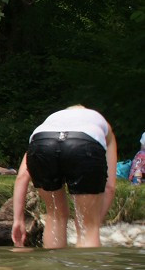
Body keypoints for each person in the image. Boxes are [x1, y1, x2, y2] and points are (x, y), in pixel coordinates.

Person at [11, 106, 118, 249]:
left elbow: (22, 176)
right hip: (83, 143)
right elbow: (110, 187)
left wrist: (17, 220)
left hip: (42, 144)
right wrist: (93, 223)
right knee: (88, 227)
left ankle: (54, 268)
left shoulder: (48, 126)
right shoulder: (103, 126)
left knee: (55, 216)